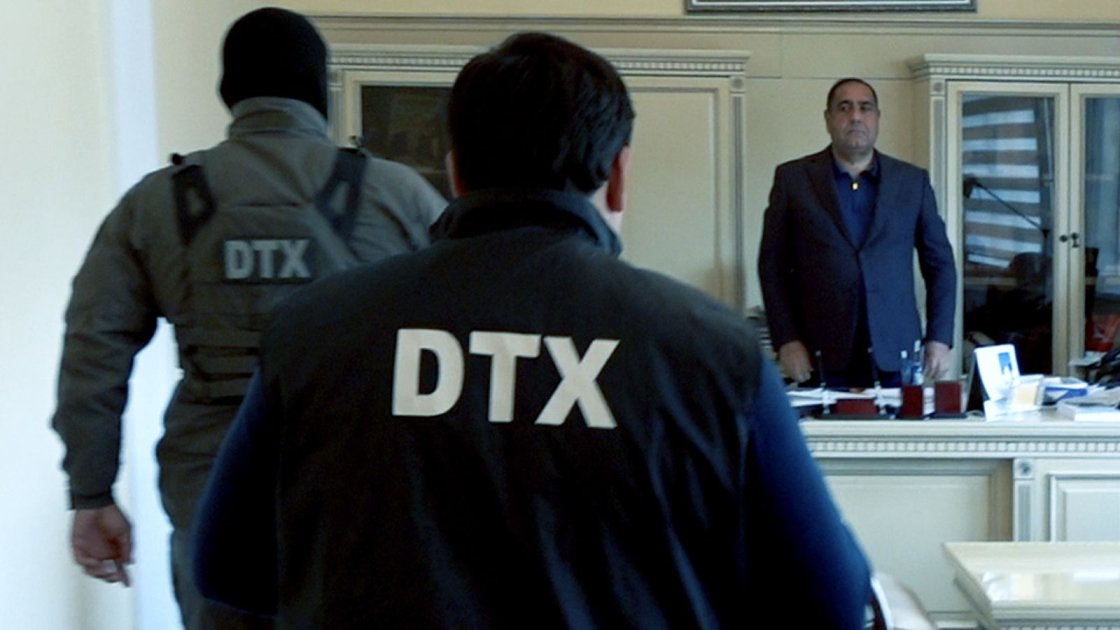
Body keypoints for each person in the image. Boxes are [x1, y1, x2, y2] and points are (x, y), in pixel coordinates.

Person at [192, 32, 872, 629]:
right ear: (618, 177)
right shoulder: (710, 351)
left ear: (456, 170)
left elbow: (228, 566)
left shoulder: (314, 330)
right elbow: (832, 600)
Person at [50, 7, 445, 630]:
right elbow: (469, 332)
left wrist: (92, 492)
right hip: (359, 483)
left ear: (230, 90)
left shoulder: (157, 203)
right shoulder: (398, 195)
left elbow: (93, 349)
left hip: (211, 487)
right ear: (317, 88)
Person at [758, 77, 957, 388]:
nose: (855, 117)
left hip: (896, 353)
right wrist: (786, 340)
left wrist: (940, 337)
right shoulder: (793, 179)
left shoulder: (911, 181)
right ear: (828, 119)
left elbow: (940, 264)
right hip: (816, 353)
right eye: (844, 108)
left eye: (865, 108)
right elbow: (772, 266)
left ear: (877, 118)